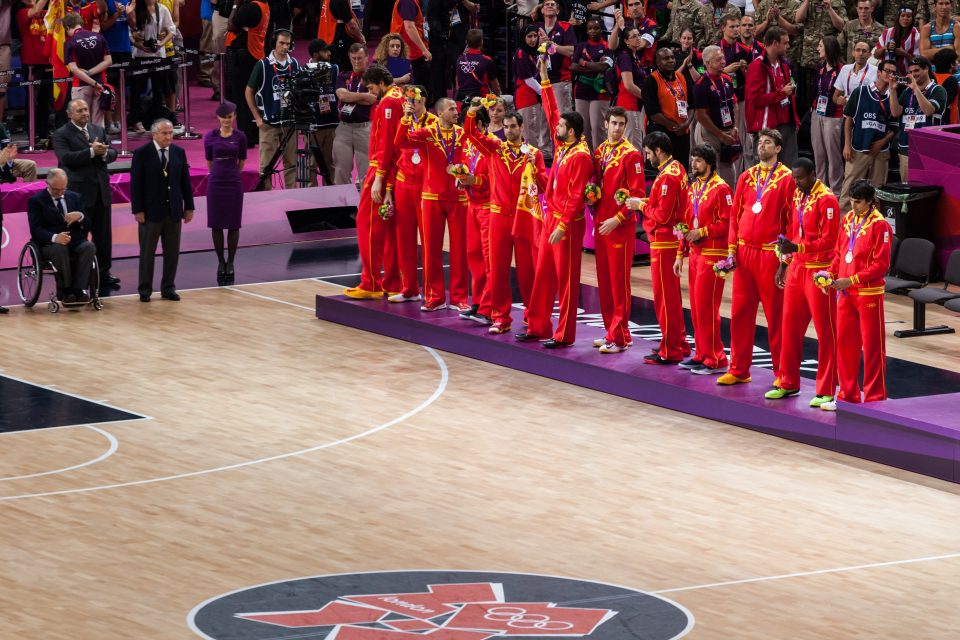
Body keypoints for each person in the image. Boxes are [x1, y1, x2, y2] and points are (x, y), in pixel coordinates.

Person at [515, 57, 593, 348]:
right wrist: (545, 77)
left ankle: (564, 334)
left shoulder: (581, 156)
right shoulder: (564, 146)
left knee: (566, 282)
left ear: (571, 131)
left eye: (560, 127)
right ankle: (537, 326)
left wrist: (561, 224)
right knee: (542, 275)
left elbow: (576, 195)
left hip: (567, 225)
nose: (555, 128)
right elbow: (551, 111)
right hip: (551, 218)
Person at [718, 128, 796, 386]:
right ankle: (739, 368)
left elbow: (791, 223)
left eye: (767, 143)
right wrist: (731, 250)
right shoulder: (746, 176)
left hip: (769, 254)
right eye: (760, 142)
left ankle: (782, 373)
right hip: (744, 252)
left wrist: (784, 262)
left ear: (778, 148)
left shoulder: (787, 179)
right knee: (740, 313)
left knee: (776, 317)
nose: (762, 146)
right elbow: (734, 216)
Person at [463, 108, 548, 335]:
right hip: (498, 215)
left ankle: (532, 315)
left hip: (523, 217)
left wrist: (533, 166)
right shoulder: (495, 148)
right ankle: (501, 318)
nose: (509, 131)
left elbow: (544, 186)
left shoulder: (534, 153)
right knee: (498, 269)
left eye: (513, 127)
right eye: (506, 127)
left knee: (527, 270)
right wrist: (472, 111)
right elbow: (470, 133)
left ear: (522, 128)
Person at [767, 158, 840, 406]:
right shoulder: (798, 195)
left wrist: (797, 247)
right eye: (794, 178)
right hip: (797, 268)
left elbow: (830, 241)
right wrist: (784, 263)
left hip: (819, 272)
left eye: (800, 178)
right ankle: (787, 382)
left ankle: (826, 389)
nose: (796, 182)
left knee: (825, 331)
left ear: (813, 174)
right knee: (789, 329)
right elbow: (792, 231)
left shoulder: (827, 199)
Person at [818, 179, 892, 411]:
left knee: (872, 347)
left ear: (870, 202)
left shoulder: (881, 226)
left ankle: (874, 397)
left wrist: (852, 279)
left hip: (868, 293)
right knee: (845, 346)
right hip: (845, 293)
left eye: (858, 202)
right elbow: (840, 254)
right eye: (851, 200)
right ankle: (847, 395)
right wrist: (828, 275)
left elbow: (882, 264)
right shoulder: (847, 219)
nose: (853, 205)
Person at [395, 97, 471, 312]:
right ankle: (435, 297)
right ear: (440, 113)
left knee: (459, 250)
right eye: (452, 108)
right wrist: (406, 117)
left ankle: (459, 298)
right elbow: (401, 142)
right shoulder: (428, 133)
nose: (456, 112)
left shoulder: (462, 133)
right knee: (431, 250)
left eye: (456, 108)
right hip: (431, 197)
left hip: (458, 197)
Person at [628, 131, 690, 364]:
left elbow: (662, 215)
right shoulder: (678, 168)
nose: (647, 158)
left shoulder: (666, 177)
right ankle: (679, 343)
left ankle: (670, 349)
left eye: (647, 153)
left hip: (664, 241)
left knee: (664, 298)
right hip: (670, 240)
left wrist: (640, 204)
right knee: (671, 297)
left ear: (658, 151)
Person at [344, 64, 405, 300]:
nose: (370, 92)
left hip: (382, 168)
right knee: (389, 229)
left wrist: (379, 179)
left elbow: (387, 143)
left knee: (366, 223)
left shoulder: (389, 102)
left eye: (371, 87)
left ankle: (371, 282)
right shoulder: (399, 95)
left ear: (380, 82)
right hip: (395, 170)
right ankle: (393, 282)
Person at [673, 143, 731, 375]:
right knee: (696, 307)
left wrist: (703, 232)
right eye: (692, 159)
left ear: (709, 163)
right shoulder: (693, 187)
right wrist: (680, 254)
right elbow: (685, 223)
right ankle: (701, 353)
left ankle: (717, 358)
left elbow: (727, 223)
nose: (693, 164)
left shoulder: (722, 189)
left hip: (714, 255)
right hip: (696, 254)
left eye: (697, 160)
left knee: (708, 307)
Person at [592, 106, 645, 354]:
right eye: (613, 123)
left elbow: (638, 195)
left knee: (618, 283)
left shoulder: (631, 155)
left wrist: (617, 218)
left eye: (622, 124)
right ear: (605, 124)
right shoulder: (600, 151)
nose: (617, 128)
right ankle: (613, 332)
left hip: (620, 227)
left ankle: (619, 337)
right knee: (604, 282)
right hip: (601, 224)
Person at [53, 99, 120, 287]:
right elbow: (66, 158)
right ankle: (77, 277)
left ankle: (103, 273)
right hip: (78, 195)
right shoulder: (61, 134)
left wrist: (105, 153)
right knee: (77, 237)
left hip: (101, 191)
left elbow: (112, 152)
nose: (85, 113)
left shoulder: (97, 130)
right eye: (80, 110)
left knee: (104, 236)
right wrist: (91, 152)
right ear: (70, 114)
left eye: (86, 110)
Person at [130, 119, 195, 302]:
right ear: (154, 135)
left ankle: (168, 287)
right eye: (165, 133)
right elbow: (136, 184)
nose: (168, 137)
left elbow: (185, 182)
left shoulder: (179, 152)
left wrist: (189, 206)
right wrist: (138, 210)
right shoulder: (142, 153)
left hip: (173, 210)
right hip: (150, 213)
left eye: (170, 133)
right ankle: (145, 289)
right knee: (147, 253)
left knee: (172, 253)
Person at [386, 85, 435, 304]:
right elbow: (395, 148)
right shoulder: (403, 121)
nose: (410, 103)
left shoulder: (434, 122)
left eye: (413, 100)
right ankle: (409, 289)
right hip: (404, 183)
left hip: (426, 185)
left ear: (423, 99)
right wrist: (389, 189)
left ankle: (432, 291)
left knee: (428, 240)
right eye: (407, 100)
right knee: (404, 238)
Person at [27, 169, 96, 303]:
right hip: (49, 245)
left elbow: (89, 225)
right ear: (47, 183)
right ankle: (65, 290)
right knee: (59, 249)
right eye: (56, 189)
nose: (59, 193)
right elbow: (35, 230)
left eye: (63, 189)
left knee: (89, 246)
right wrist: (55, 237)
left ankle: (79, 289)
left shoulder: (75, 197)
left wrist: (80, 217)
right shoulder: (36, 201)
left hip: (74, 242)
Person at [839, 58, 900, 211]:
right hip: (858, 147)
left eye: (893, 73)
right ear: (878, 72)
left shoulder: (893, 96)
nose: (890, 75)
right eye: (887, 71)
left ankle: (871, 225)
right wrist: (847, 144)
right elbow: (848, 119)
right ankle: (841, 225)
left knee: (877, 192)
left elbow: (894, 127)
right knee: (849, 188)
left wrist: (882, 142)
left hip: (881, 150)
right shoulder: (860, 92)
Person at [245, 28, 300, 190]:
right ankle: (267, 198)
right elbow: (248, 91)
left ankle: (291, 196)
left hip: (290, 122)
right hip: (268, 122)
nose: (285, 47)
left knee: (291, 164)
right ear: (273, 43)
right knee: (266, 166)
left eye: (288, 44)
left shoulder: (294, 64)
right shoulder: (262, 65)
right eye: (281, 43)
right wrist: (258, 117)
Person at [205, 101, 247, 284]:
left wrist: (232, 173)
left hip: (234, 183)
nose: (227, 120)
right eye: (224, 117)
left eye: (230, 117)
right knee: (216, 224)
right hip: (215, 183)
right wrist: (219, 172)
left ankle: (231, 262)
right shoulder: (210, 136)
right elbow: (209, 162)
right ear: (218, 118)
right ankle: (220, 262)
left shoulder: (241, 137)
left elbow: (242, 161)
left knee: (233, 224)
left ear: (234, 117)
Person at [745, 27, 800, 167]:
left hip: (787, 124)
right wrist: (781, 94)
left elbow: (790, 95)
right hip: (768, 127)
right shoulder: (757, 66)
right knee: (767, 169)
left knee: (789, 169)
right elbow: (755, 99)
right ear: (775, 43)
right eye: (785, 43)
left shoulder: (785, 65)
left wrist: (795, 119)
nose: (788, 46)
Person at [459, 105, 493, 323]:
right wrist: (460, 176)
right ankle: (479, 302)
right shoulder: (468, 144)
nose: (466, 129)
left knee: (490, 261)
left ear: (480, 125)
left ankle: (489, 310)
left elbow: (495, 180)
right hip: (472, 205)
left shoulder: (492, 145)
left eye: (470, 124)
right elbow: (464, 166)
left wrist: (475, 181)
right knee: (474, 257)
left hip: (489, 208)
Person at [128, 0, 177, 135]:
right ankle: (135, 120)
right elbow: (129, 32)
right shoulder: (135, 9)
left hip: (158, 54)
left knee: (158, 89)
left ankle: (157, 119)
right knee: (136, 90)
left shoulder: (162, 9)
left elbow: (172, 29)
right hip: (139, 55)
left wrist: (161, 43)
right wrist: (139, 45)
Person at [693, 45, 740, 186]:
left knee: (729, 175)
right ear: (707, 63)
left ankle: (729, 201)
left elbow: (735, 106)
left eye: (723, 58)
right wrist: (720, 135)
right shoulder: (701, 85)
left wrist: (735, 127)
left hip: (727, 130)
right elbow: (701, 116)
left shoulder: (727, 80)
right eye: (718, 59)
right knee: (708, 171)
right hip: (709, 132)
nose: (723, 62)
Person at [226, 0, 270, 145]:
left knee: (241, 96)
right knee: (254, 94)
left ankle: (246, 136)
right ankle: (255, 132)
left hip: (244, 53)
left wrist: (235, 5)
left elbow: (231, 25)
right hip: (256, 52)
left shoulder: (250, 7)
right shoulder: (264, 5)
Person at [898, 55, 947, 180]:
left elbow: (928, 110)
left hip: (929, 148)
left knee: (927, 186)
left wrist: (916, 89)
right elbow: (894, 113)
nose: (913, 74)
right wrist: (893, 91)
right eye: (911, 72)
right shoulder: (906, 91)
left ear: (926, 69)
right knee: (907, 187)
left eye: (916, 70)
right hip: (906, 146)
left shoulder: (938, 90)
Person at [794, 0, 845, 119]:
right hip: (808, 59)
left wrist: (830, 9)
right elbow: (798, 19)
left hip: (828, 60)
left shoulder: (837, 2)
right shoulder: (807, 2)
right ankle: (808, 128)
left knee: (827, 93)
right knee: (806, 98)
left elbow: (842, 26)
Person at [644, 47, 694, 169]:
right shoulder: (651, 80)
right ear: (657, 62)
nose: (671, 60)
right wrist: (674, 126)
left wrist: (685, 124)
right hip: (661, 133)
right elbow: (652, 112)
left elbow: (692, 106)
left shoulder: (681, 77)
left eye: (672, 57)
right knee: (661, 171)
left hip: (682, 132)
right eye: (666, 58)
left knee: (681, 170)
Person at [334, 43, 376, 185]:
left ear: (366, 58)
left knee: (366, 171)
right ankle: (342, 205)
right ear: (349, 58)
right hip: (344, 128)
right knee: (340, 169)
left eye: (360, 58)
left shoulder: (374, 77)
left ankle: (365, 206)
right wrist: (363, 96)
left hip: (365, 128)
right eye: (353, 58)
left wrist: (350, 96)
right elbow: (342, 96)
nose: (357, 62)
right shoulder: (343, 76)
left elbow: (372, 99)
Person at [62, 12, 112, 130]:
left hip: (81, 86)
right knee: (98, 124)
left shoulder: (70, 42)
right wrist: (94, 78)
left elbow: (74, 69)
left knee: (80, 123)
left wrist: (89, 76)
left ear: (68, 27)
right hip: (100, 84)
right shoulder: (99, 37)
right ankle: (100, 147)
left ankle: (84, 148)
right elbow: (109, 61)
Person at [571, 17, 614, 150]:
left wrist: (583, 63)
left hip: (600, 92)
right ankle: (586, 157)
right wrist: (594, 66)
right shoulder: (581, 46)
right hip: (581, 91)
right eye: (590, 28)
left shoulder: (607, 46)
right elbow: (573, 66)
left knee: (598, 128)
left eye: (596, 28)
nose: (593, 31)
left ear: (602, 29)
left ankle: (600, 158)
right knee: (583, 128)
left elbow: (604, 67)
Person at [811, 36, 845, 196]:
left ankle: (836, 192)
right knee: (819, 153)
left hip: (834, 116)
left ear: (829, 48)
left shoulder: (842, 70)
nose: (818, 49)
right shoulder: (820, 69)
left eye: (820, 46)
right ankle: (820, 191)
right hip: (817, 113)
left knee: (833, 156)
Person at [17, 0, 53, 145]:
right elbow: (36, 11)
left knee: (46, 99)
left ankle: (45, 131)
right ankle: (33, 132)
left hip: (48, 60)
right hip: (31, 61)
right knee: (33, 99)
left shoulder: (46, 13)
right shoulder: (22, 13)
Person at [534, 0, 577, 116]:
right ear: (542, 10)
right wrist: (538, 42)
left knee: (562, 118)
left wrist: (552, 45)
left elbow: (571, 51)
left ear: (557, 10)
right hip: (540, 80)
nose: (549, 6)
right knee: (543, 121)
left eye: (552, 4)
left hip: (560, 80)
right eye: (546, 4)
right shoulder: (536, 28)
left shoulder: (566, 27)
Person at [514, 25, 548, 156]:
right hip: (527, 99)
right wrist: (544, 92)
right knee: (529, 135)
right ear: (523, 38)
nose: (533, 39)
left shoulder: (532, 53)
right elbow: (528, 80)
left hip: (533, 98)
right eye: (530, 36)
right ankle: (530, 166)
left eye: (535, 36)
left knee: (533, 133)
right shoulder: (521, 54)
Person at [614, 27, 647, 149]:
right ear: (626, 41)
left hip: (636, 105)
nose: (638, 38)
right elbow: (628, 85)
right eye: (634, 36)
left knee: (634, 142)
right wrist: (647, 96)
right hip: (629, 105)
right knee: (633, 145)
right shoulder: (625, 57)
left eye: (639, 35)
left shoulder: (635, 57)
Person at [390, 0, 431, 92]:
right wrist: (424, 49)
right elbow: (409, 27)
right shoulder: (407, 2)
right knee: (419, 91)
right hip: (412, 52)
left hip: (409, 50)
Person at [455, 28, 502, 102]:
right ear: (481, 42)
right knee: (510, 99)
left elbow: (457, 81)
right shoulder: (487, 60)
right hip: (480, 100)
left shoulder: (459, 59)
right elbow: (496, 86)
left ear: (466, 42)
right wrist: (499, 99)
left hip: (462, 98)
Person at [876, 7, 921, 77]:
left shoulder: (916, 36)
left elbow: (918, 62)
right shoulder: (887, 32)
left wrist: (905, 53)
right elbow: (876, 55)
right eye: (902, 16)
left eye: (908, 16)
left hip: (907, 76)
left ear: (912, 19)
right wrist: (885, 48)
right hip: (886, 75)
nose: (905, 18)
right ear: (898, 17)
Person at [832, 41, 877, 112]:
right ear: (853, 53)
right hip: (847, 114)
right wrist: (838, 101)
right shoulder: (845, 69)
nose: (861, 53)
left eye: (864, 51)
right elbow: (835, 96)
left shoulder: (875, 71)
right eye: (858, 50)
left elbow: (878, 99)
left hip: (865, 116)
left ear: (869, 55)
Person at [932, 48, 959, 124]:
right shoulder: (951, 81)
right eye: (956, 61)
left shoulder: (930, 77)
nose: (958, 63)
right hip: (947, 124)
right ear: (951, 64)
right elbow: (944, 104)